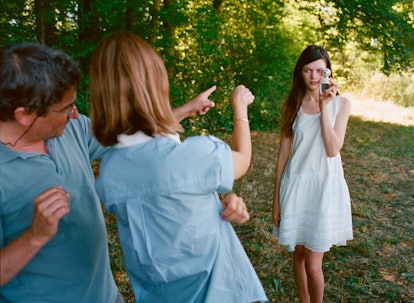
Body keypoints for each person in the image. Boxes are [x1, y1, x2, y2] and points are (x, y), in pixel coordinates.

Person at [0, 41, 250, 302]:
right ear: (25, 114)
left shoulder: (68, 130)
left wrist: (185, 110)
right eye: (65, 109)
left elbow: (132, 140)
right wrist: (35, 235)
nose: (75, 115)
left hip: (106, 296)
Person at [89, 32, 268, 303]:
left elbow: (166, 192)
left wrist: (213, 203)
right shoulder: (194, 155)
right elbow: (241, 158)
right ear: (155, 84)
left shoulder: (111, 172)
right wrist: (240, 107)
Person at [272, 45, 353, 303]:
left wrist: (323, 106)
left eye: (319, 70)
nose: (314, 77)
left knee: (313, 266)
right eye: (307, 70)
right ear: (300, 73)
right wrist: (276, 200)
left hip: (324, 188)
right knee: (298, 255)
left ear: (328, 72)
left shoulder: (341, 104)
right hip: (295, 185)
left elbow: (332, 149)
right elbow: (283, 156)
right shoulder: (292, 105)